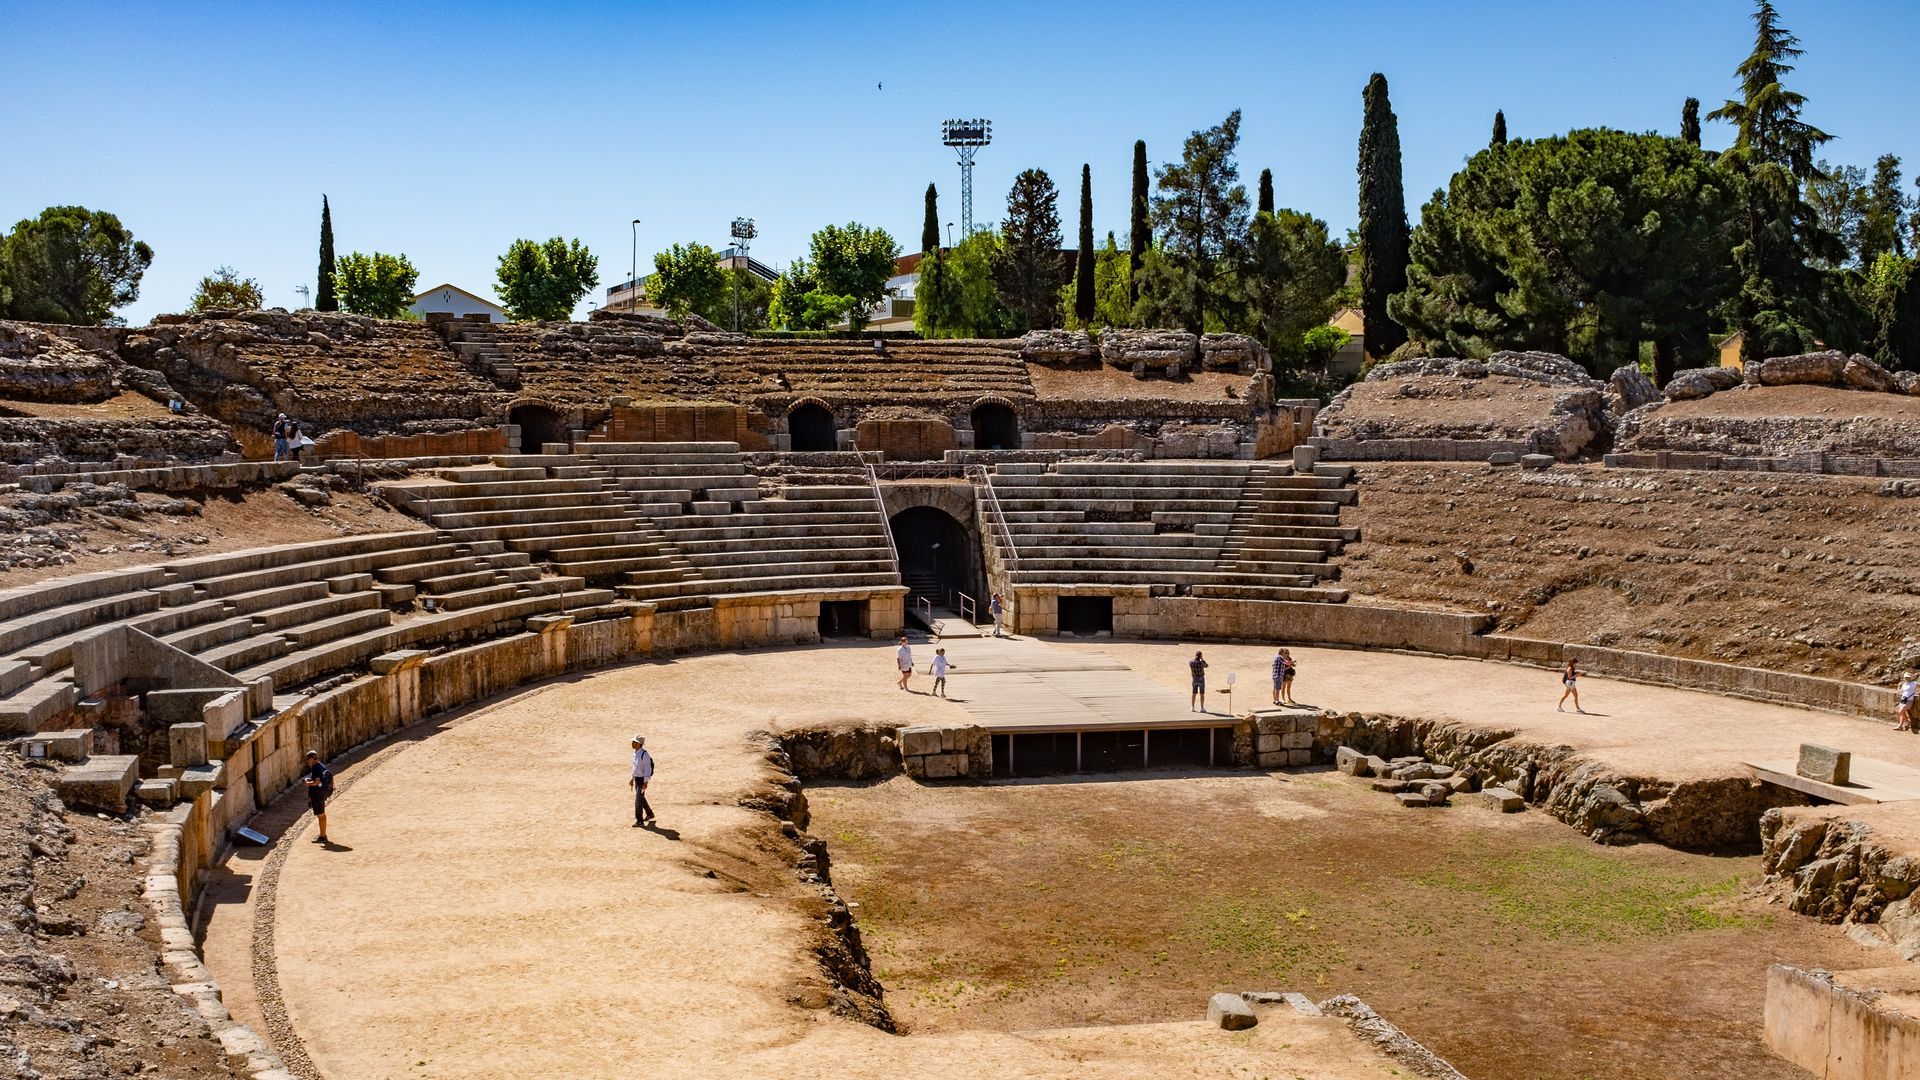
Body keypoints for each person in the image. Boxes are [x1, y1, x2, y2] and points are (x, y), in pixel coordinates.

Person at [301, 750, 334, 843]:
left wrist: (307, 783)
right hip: (321, 793)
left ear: (311, 758)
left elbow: (317, 782)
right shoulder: (321, 766)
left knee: (321, 815)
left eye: (308, 759)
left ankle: (323, 836)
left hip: (317, 795)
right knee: (321, 814)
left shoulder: (316, 767)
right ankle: (322, 834)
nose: (307, 761)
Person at [630, 735, 656, 826]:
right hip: (637, 779)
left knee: (638, 800)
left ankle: (639, 821)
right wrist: (632, 779)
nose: (632, 744)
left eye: (634, 742)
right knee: (640, 798)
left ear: (639, 744)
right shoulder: (635, 753)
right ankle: (649, 814)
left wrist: (645, 782)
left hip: (642, 780)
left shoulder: (644, 755)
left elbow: (647, 769)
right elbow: (635, 768)